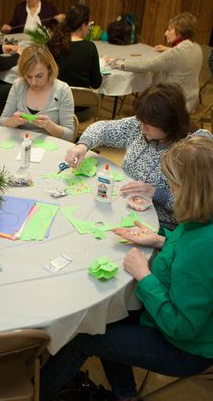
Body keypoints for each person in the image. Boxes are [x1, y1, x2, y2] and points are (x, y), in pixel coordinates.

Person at [40, 136, 213, 401]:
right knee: (106, 318)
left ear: (192, 190)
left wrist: (143, 274)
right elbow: (185, 249)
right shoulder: (201, 220)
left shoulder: (203, 247)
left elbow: (181, 326)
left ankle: (35, 393)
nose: (169, 190)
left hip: (184, 346)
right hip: (168, 317)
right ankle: (125, 394)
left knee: (84, 338)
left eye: (174, 185)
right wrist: (159, 240)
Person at [65, 83, 211, 231]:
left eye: (148, 124)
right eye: (141, 121)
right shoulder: (141, 125)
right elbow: (102, 128)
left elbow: (200, 204)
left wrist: (155, 192)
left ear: (168, 122)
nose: (142, 127)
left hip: (162, 226)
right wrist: (82, 145)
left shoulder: (193, 149)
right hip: (124, 209)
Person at [110, 12, 202, 113]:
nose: (165, 33)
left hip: (174, 106)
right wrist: (168, 49)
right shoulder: (197, 48)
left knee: (140, 102)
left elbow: (145, 65)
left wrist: (119, 62)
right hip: (190, 101)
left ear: (179, 33)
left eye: (169, 29)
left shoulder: (175, 54)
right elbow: (182, 56)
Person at [0, 44, 74, 141]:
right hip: (21, 144)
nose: (33, 82)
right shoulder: (19, 85)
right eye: (28, 76)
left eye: (39, 76)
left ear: (49, 69)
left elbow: (69, 135)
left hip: (51, 147)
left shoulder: (62, 90)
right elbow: (2, 121)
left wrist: (49, 125)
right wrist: (12, 122)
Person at [47, 4, 102, 122]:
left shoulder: (52, 44)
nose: (88, 28)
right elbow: (96, 83)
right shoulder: (89, 47)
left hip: (54, 107)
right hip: (80, 112)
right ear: (83, 26)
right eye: (89, 24)